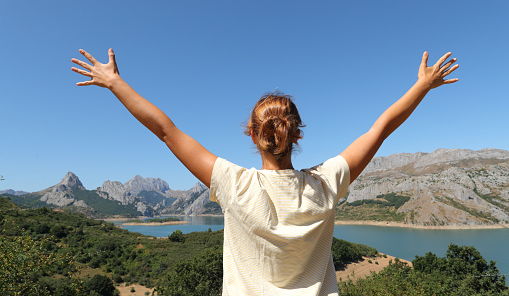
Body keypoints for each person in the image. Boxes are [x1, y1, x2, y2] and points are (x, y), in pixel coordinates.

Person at [71, 49, 459, 295]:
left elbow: (166, 131)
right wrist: (422, 86)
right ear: (297, 133)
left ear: (252, 134)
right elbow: (381, 128)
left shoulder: (233, 184)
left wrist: (115, 83)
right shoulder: (325, 183)